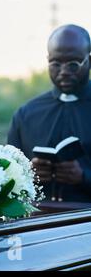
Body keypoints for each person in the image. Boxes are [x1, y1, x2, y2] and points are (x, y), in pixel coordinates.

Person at [8, 24, 91, 202]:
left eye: (73, 64)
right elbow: (7, 179)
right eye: (55, 63)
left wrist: (84, 177)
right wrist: (28, 173)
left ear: (89, 60)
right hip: (37, 223)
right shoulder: (26, 114)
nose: (64, 72)